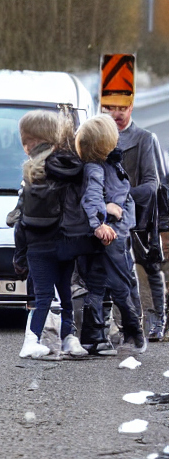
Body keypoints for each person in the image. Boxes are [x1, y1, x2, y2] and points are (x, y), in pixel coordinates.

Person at [13, 110, 91, 359]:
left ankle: (31, 340)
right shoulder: (70, 167)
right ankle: (69, 337)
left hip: (37, 245)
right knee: (66, 292)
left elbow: (21, 220)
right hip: (65, 241)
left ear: (32, 142)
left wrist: (19, 255)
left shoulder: (30, 173)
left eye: (27, 141)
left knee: (43, 296)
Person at [75, 114, 147, 354]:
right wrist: (100, 222)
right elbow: (92, 196)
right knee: (119, 285)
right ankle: (132, 335)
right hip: (110, 235)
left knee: (97, 284)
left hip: (112, 232)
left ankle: (94, 338)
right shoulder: (97, 167)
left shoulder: (109, 163)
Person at [101, 99, 166, 341]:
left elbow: (152, 184)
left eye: (122, 108)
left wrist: (121, 196)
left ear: (131, 108)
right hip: (109, 217)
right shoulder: (100, 136)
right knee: (119, 271)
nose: (116, 113)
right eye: (110, 108)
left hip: (140, 215)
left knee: (149, 265)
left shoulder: (144, 138)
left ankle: (157, 319)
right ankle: (124, 324)